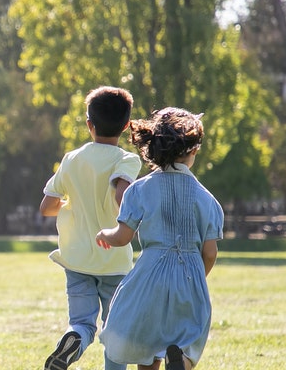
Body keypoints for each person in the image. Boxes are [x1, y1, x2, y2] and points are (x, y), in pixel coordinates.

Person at [95, 108, 223, 370]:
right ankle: (182, 361)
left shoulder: (139, 190)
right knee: (188, 340)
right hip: (189, 278)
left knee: (147, 347)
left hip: (149, 276)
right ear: (194, 150)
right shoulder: (207, 200)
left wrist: (104, 234)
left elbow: (122, 237)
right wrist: (197, 275)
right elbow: (210, 252)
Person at [39, 86, 141, 370]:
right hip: (114, 260)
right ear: (126, 125)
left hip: (76, 258)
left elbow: (47, 206)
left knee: (82, 322)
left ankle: (75, 338)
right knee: (115, 328)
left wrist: (72, 203)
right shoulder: (127, 160)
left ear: (89, 124)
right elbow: (122, 195)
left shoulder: (72, 158)